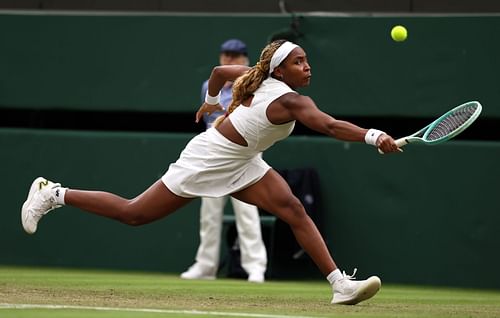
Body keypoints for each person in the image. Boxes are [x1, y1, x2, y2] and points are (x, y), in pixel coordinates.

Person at [21, 39, 401, 305]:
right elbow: (331, 126)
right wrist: (374, 135)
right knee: (134, 213)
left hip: (245, 160)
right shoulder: (291, 101)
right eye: (299, 62)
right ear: (279, 70)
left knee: (293, 210)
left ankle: (340, 286)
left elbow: (219, 72)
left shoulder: (259, 78)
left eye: (306, 60)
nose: (307, 66)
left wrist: (209, 104)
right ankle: (54, 193)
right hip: (209, 158)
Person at [181, 39, 267, 283]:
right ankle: (205, 266)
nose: (229, 59)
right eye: (226, 55)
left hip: (245, 155)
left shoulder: (253, 85)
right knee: (208, 214)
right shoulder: (209, 86)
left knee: (247, 213)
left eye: (235, 55)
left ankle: (255, 267)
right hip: (213, 155)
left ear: (244, 60)